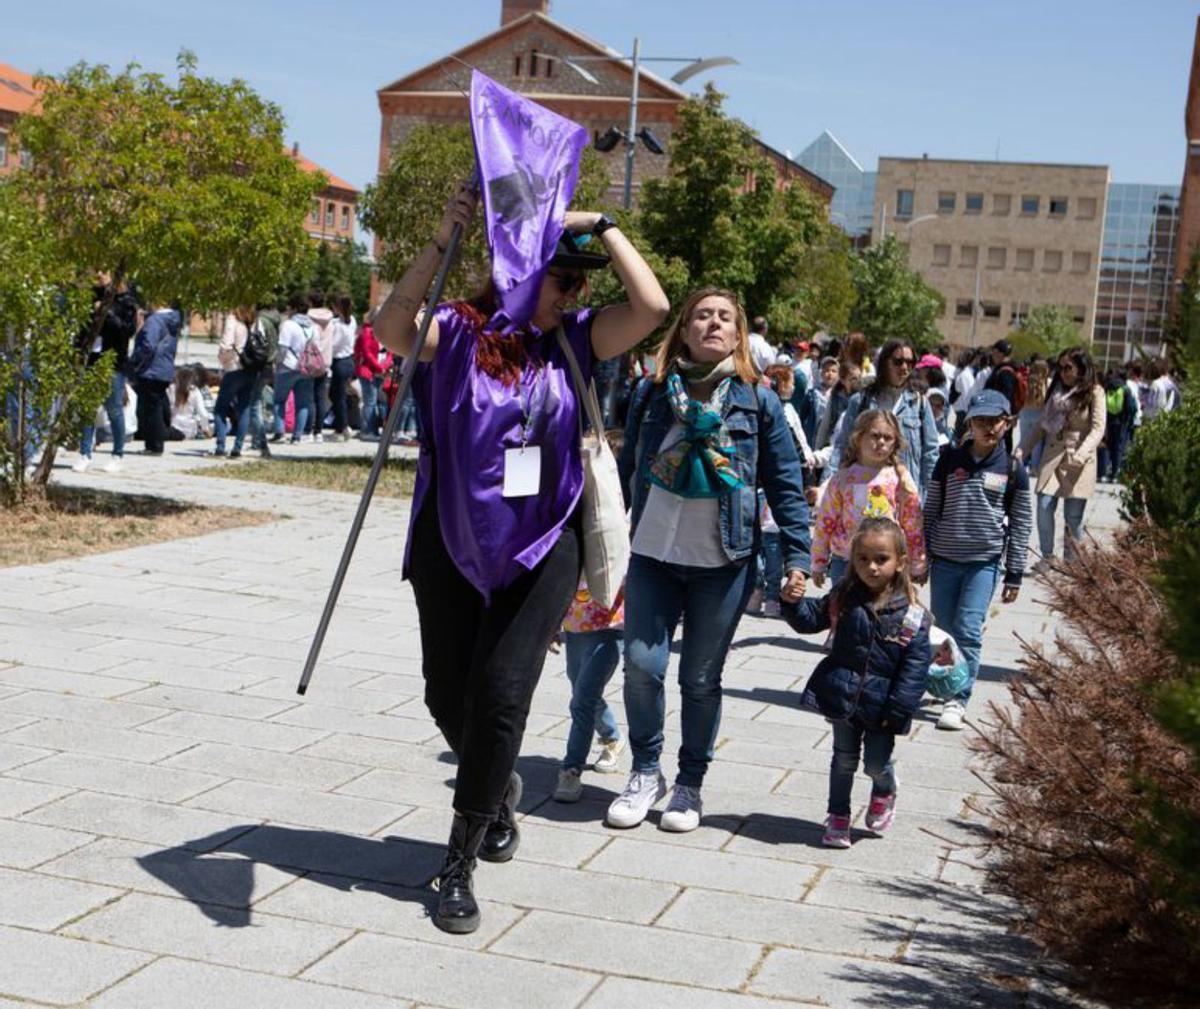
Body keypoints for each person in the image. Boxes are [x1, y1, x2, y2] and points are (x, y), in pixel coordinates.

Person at [375, 186, 668, 935]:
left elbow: (654, 308)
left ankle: (459, 859)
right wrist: (445, 236)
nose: (577, 288)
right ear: (518, 272)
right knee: (449, 693)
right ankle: (498, 782)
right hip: (451, 537)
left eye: (580, 280)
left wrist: (601, 227)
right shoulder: (461, 332)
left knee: (502, 692)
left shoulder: (576, 338)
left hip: (545, 541)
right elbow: (390, 326)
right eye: (562, 277)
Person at [613, 287, 810, 834]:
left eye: (725, 317)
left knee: (700, 679)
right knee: (642, 668)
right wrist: (599, 543)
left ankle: (689, 785)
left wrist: (798, 555)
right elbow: (628, 467)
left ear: (739, 333)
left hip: (723, 560)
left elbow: (786, 484)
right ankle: (644, 770)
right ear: (684, 328)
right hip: (653, 551)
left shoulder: (759, 400)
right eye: (703, 315)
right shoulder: (652, 392)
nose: (713, 323)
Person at [782, 516, 931, 848]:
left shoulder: (912, 615)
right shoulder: (844, 596)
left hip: (884, 706)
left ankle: (885, 786)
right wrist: (792, 603)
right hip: (843, 696)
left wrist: (900, 708)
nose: (872, 567)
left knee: (875, 761)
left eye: (882, 559)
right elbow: (811, 620)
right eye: (863, 559)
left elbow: (915, 667)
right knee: (844, 758)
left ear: (900, 562)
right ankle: (838, 816)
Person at [923, 390, 1031, 730]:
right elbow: (931, 510)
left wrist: (1014, 572)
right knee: (941, 630)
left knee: (968, 630)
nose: (988, 428)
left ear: (1007, 423)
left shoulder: (1013, 469)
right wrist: (921, 556)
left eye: (995, 421)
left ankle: (958, 698)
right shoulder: (949, 460)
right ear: (968, 423)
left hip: (983, 564)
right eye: (980, 421)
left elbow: (1022, 523)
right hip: (944, 560)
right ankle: (939, 682)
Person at [811, 409, 925, 589]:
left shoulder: (900, 479)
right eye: (875, 436)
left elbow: (912, 524)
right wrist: (818, 561)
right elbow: (825, 523)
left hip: (885, 562)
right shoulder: (842, 479)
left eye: (888, 438)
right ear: (858, 438)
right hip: (846, 561)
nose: (881, 442)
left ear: (895, 443)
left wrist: (917, 563)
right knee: (846, 613)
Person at [1015, 347, 1105, 571]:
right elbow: (1040, 426)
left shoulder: (1095, 392)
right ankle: (1047, 557)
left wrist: (1082, 454)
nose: (1063, 373)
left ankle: (1073, 563)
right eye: (1060, 368)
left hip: (1079, 459)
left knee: (1073, 517)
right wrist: (1021, 450)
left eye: (1069, 368)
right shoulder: (1055, 391)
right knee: (1044, 505)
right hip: (1053, 454)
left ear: (1082, 369)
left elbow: (1098, 428)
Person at [831, 339, 940, 497]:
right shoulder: (862, 401)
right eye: (898, 361)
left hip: (905, 496)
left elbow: (930, 454)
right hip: (864, 492)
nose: (904, 367)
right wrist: (827, 485)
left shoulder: (920, 404)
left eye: (910, 362)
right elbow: (842, 446)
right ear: (884, 363)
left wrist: (930, 498)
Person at [553, 577, 626, 803]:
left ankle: (571, 768)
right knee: (580, 689)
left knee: (583, 700)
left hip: (609, 627)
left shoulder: (624, 541)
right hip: (575, 626)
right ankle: (612, 736)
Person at [73, 273, 139, 474]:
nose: (98, 275)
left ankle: (117, 454)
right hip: (91, 359)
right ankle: (85, 453)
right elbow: (82, 329)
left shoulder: (126, 301)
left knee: (114, 408)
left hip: (112, 361)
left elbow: (126, 331)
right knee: (87, 408)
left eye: (104, 271)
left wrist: (107, 313)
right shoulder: (92, 297)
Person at [127, 303, 180, 456]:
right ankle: (155, 443)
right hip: (164, 369)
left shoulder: (155, 320)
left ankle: (154, 445)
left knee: (151, 409)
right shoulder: (172, 320)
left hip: (151, 370)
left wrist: (135, 362)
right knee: (156, 406)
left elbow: (148, 346)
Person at [271, 293, 318, 444]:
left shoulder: (288, 325)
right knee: (303, 403)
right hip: (306, 369)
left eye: (290, 307)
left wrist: (277, 363)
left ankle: (279, 433)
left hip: (288, 367)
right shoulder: (312, 327)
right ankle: (297, 436)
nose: (288, 310)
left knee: (279, 400)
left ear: (295, 308)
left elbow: (283, 349)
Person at [212, 306, 257, 458]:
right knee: (244, 408)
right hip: (250, 368)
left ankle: (220, 446)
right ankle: (237, 448)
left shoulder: (233, 320)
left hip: (234, 368)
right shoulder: (253, 322)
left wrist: (222, 360)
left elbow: (226, 345)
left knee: (220, 409)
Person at [354, 308, 390, 439]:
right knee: (370, 401)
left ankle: (375, 429)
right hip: (367, 371)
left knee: (378, 401)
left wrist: (385, 365)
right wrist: (379, 367)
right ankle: (368, 431)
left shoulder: (385, 331)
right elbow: (367, 353)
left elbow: (390, 350)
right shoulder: (366, 332)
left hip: (380, 371)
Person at [326, 295, 358, 441]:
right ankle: (342, 424)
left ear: (337, 308)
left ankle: (342, 428)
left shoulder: (336, 324)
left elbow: (334, 344)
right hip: (349, 360)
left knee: (337, 396)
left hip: (339, 361)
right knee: (337, 394)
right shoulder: (352, 321)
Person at [1098, 372, 1136, 482]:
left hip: (1108, 422)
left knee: (1107, 447)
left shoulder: (1108, 388)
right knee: (1118, 449)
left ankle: (1103, 474)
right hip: (1121, 423)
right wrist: (1127, 421)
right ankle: (1114, 474)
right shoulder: (1125, 390)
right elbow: (1130, 408)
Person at [800, 355, 839, 448]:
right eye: (827, 370)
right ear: (821, 373)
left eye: (833, 371)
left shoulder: (839, 396)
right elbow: (802, 416)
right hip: (813, 436)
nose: (830, 374)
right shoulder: (812, 394)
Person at [1017, 358, 1050, 460]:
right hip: (1039, 413)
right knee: (1037, 443)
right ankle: (1034, 467)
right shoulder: (1047, 382)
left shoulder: (1025, 380)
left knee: (1023, 440)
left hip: (1025, 412)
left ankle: (1018, 461)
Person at [169, 367, 211, 439]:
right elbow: (203, 413)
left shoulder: (170, 388)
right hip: (189, 430)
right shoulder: (194, 390)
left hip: (172, 426)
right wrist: (206, 429)